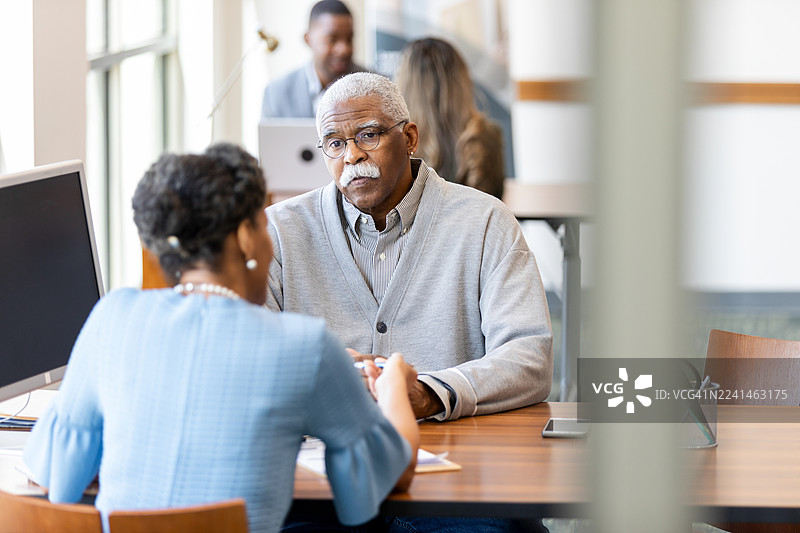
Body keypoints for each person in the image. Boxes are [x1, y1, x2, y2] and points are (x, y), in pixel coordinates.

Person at [23, 143, 419, 533]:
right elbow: (387, 476)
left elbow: (53, 472)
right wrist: (393, 385)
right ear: (247, 236)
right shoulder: (305, 345)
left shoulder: (113, 316)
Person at [269, 72, 551, 533]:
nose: (352, 155)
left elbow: (529, 356)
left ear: (410, 137)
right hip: (324, 486)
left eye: (368, 135)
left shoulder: (484, 221)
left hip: (459, 484)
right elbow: (251, 358)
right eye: (334, 144)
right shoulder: (279, 232)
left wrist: (427, 393)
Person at [394, 37, 506, 199]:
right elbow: (494, 207)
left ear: (405, 83)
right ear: (461, 80)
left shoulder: (395, 141)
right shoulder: (487, 136)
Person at [261, 0, 365, 119]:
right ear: (308, 39)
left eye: (349, 39)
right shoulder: (276, 94)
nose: (344, 50)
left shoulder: (375, 88)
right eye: (332, 39)